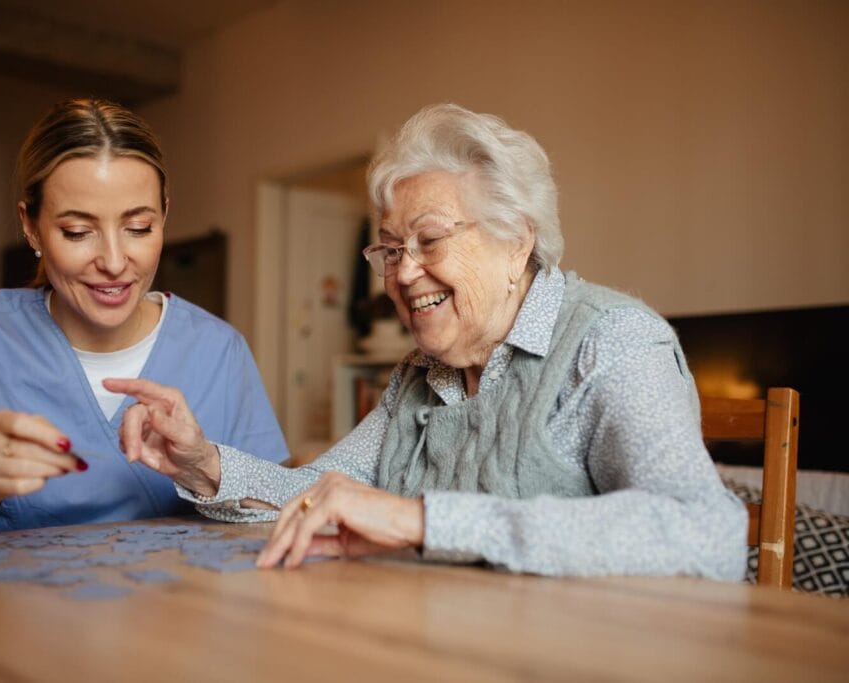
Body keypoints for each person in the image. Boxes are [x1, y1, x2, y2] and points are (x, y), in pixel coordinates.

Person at [108, 103, 748, 580]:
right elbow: (319, 494)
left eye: (431, 240)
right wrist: (202, 464)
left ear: (516, 239)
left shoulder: (611, 342)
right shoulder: (419, 374)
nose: (403, 272)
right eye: (389, 249)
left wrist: (421, 521)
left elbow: (704, 531)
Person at [0, 98, 287, 540]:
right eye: (77, 232)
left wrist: (207, 466)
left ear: (164, 215)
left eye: (139, 228)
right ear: (31, 227)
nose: (113, 262)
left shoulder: (219, 349)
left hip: (178, 607)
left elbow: (281, 514)